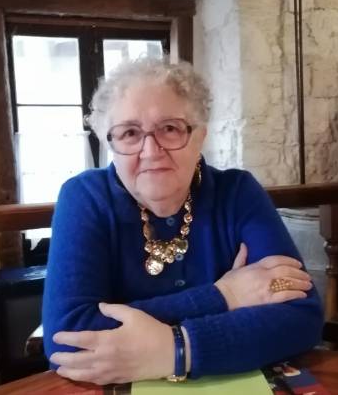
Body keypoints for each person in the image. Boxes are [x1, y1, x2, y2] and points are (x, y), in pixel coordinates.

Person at [43, 58, 323, 385]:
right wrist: (224, 297)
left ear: (199, 135)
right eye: (130, 133)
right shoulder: (84, 198)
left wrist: (178, 350)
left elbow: (302, 317)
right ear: (110, 145)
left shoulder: (238, 193)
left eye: (170, 128)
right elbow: (67, 340)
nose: (151, 151)